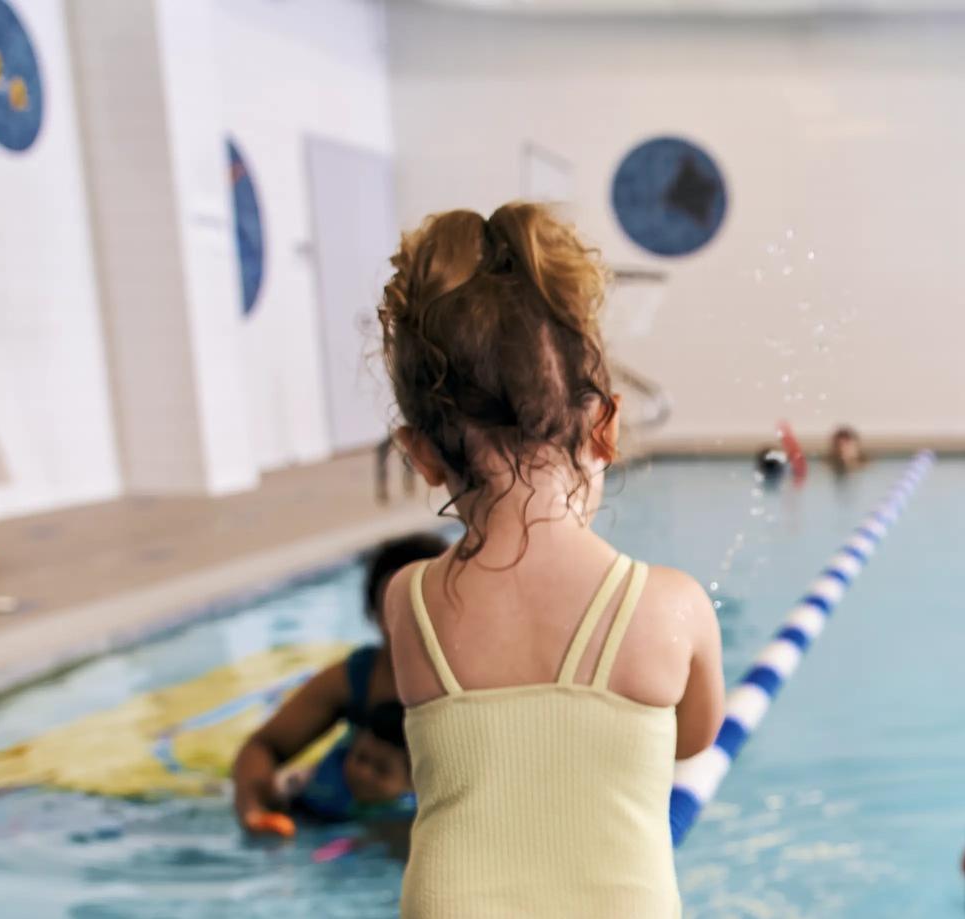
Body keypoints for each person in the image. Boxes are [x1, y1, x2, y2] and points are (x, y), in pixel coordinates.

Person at [375, 203, 724, 918]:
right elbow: (692, 740)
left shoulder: (407, 602)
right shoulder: (670, 605)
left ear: (420, 455)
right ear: (605, 426)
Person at [233, 532, 448, 835]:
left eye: (420, 606)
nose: (406, 622)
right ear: (372, 614)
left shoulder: (474, 679)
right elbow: (263, 747)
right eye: (393, 609)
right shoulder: (357, 678)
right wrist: (254, 809)